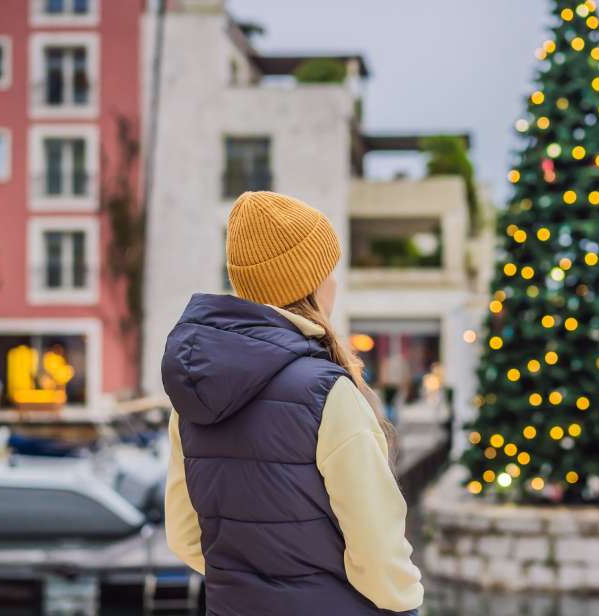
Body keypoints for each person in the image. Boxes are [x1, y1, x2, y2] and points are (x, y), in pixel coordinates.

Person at [162, 191, 424, 615]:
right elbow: (379, 553)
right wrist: (409, 605)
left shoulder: (191, 395)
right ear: (311, 282)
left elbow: (184, 537)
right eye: (329, 270)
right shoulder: (328, 393)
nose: (335, 282)